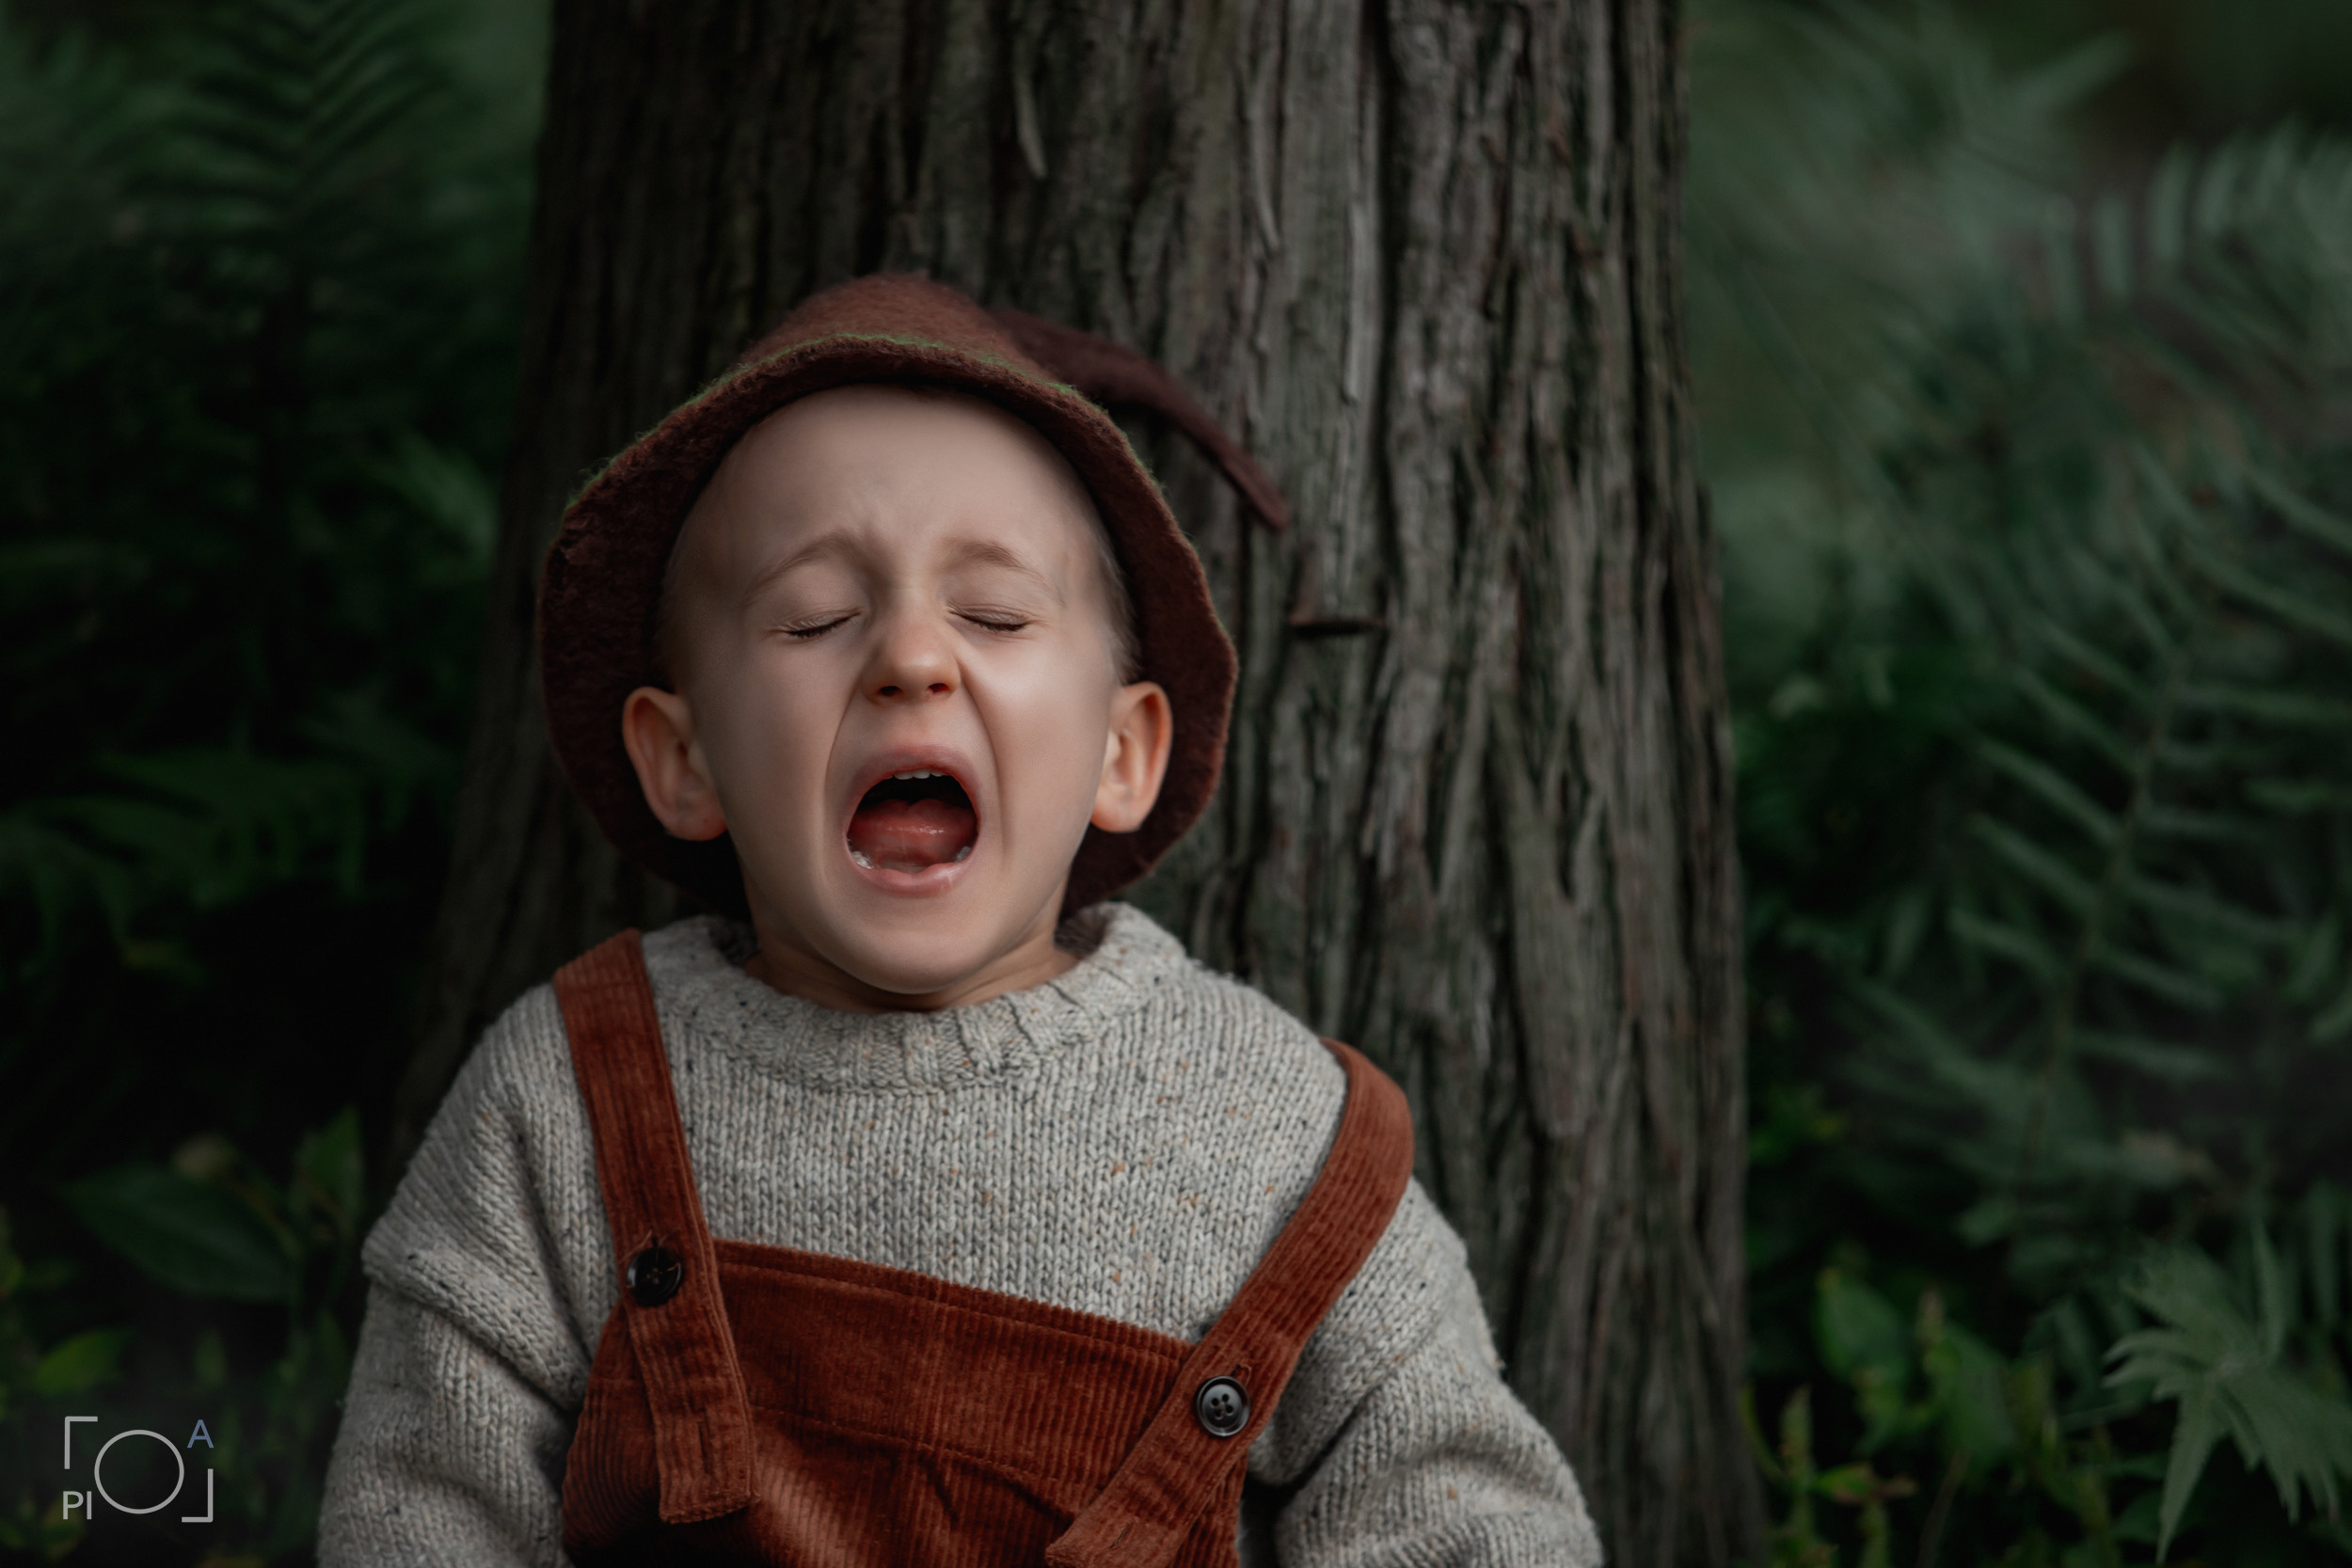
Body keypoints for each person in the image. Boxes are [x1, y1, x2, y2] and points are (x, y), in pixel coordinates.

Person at [317, 275, 1601, 1566]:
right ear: (685, 759)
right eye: (816, 617)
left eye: (992, 614)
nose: (912, 658)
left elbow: (1475, 1536)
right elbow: (418, 1517)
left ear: (1119, 752)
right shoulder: (562, 1104)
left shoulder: (1280, 1141)